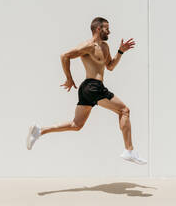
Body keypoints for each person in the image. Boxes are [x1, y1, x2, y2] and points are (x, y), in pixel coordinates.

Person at [26, 17, 147, 165]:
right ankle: (129, 150)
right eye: (106, 28)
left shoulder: (105, 47)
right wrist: (69, 79)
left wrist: (120, 52)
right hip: (93, 87)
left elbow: (110, 66)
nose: (109, 31)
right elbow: (65, 56)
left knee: (76, 125)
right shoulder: (89, 46)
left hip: (88, 88)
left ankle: (39, 131)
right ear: (98, 29)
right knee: (124, 111)